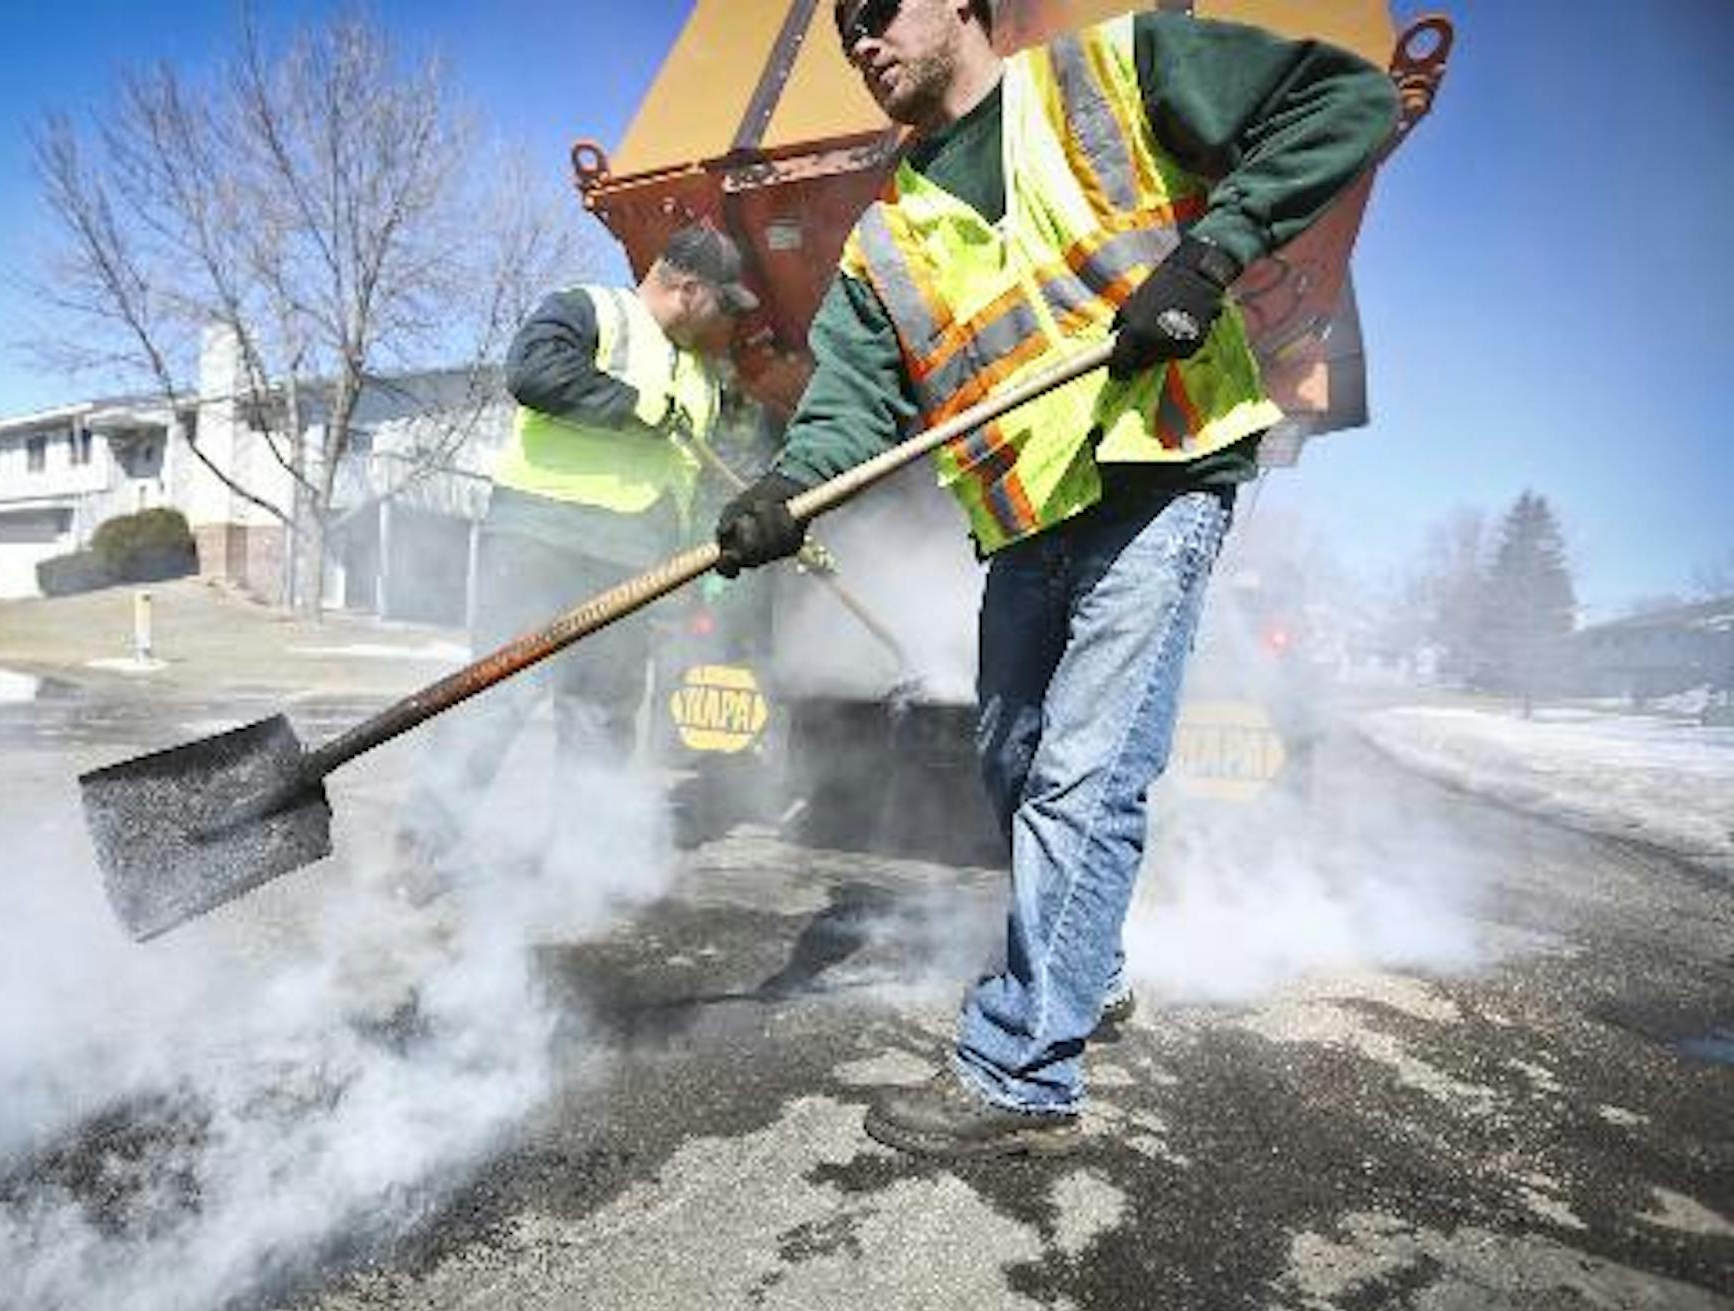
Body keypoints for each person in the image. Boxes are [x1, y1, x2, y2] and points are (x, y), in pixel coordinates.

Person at [714, 0, 1397, 1157]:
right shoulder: (889, 239)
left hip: (1162, 472)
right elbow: (846, 409)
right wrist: (787, 492)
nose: (860, 39)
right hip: (1029, 519)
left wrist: (1206, 255)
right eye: (842, 31)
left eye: (879, 8)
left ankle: (1021, 1069)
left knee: (1086, 772)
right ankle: (1094, 968)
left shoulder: (1120, 73)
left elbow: (1350, 101)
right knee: (1012, 756)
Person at [396, 224, 757, 893]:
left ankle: (582, 861)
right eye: (722, 305)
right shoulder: (593, 310)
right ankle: (423, 850)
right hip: (542, 540)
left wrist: (714, 548)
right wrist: (635, 407)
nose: (727, 321)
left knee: (606, 712)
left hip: (632, 567)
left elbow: (685, 482)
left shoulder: (701, 378)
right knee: (495, 699)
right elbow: (531, 371)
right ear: (687, 289)